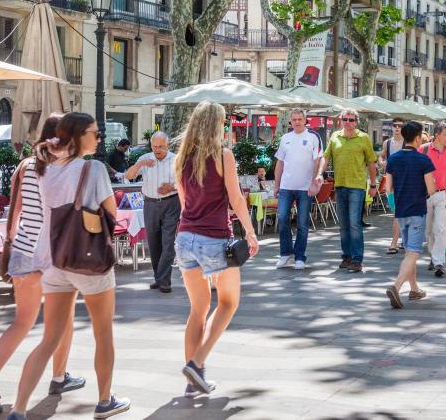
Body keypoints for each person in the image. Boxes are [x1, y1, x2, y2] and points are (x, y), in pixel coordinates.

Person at [9, 113, 129, 419]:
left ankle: (18, 408)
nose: (99, 138)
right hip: (87, 258)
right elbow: (111, 211)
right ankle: (104, 401)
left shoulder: (47, 169)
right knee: (103, 333)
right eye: (95, 133)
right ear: (78, 136)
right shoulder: (95, 168)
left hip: (53, 260)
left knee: (50, 337)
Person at [0, 114, 85, 413]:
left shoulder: (25, 165)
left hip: (22, 249)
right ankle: (58, 377)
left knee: (22, 322)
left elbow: (15, 212)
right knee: (63, 319)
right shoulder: (63, 167)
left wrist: (11, 243)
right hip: (50, 254)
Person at [174, 101, 259, 396]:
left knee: (198, 308)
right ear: (216, 125)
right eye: (224, 123)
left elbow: (185, 203)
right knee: (228, 303)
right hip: (215, 238)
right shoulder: (224, 156)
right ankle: (197, 364)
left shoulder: (181, 158)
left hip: (184, 238)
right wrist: (250, 232)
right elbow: (235, 199)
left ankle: (191, 383)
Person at [383, 121, 437, 308]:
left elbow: (388, 188)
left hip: (401, 211)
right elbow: (431, 188)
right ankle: (396, 287)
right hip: (417, 210)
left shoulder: (393, 159)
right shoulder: (424, 160)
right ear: (417, 138)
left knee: (408, 251)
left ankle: (414, 289)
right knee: (414, 251)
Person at [319, 108, 378, 273]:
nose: (348, 122)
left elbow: (371, 163)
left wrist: (373, 185)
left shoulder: (363, 138)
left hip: (357, 186)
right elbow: (326, 157)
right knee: (343, 224)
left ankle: (357, 259)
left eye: (351, 120)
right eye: (345, 119)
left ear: (356, 122)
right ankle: (347, 256)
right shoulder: (335, 137)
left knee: (354, 223)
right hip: (340, 185)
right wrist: (319, 173)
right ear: (341, 120)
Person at [124, 132, 179, 293]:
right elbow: (128, 175)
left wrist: (172, 187)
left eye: (161, 147)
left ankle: (164, 281)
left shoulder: (176, 159)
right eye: (155, 146)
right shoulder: (145, 158)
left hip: (171, 203)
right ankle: (159, 278)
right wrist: (140, 165)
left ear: (167, 145)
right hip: (150, 204)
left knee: (168, 244)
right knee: (154, 244)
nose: (157, 150)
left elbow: (185, 182)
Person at [273, 108, 322, 270]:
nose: (297, 122)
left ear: (305, 119)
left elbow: (317, 160)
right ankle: (286, 253)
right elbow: (280, 162)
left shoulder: (313, 137)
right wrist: (276, 184)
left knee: (302, 223)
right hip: (286, 187)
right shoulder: (285, 138)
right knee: (282, 219)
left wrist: (314, 182)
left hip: (304, 188)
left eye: (300, 119)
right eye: (294, 119)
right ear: (290, 121)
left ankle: (300, 256)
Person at [419, 121, 446, 277]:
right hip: (425, 194)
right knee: (428, 230)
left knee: (440, 227)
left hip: (443, 194)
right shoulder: (423, 150)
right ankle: (433, 255)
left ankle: (439, 261)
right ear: (437, 135)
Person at [380, 118, 406, 254]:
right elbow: (381, 157)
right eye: (394, 125)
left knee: (399, 212)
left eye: (399, 126)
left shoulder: (408, 142)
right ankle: (401, 239)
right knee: (397, 212)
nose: (397, 128)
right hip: (391, 181)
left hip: (406, 181)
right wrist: (382, 162)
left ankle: (395, 242)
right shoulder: (387, 143)